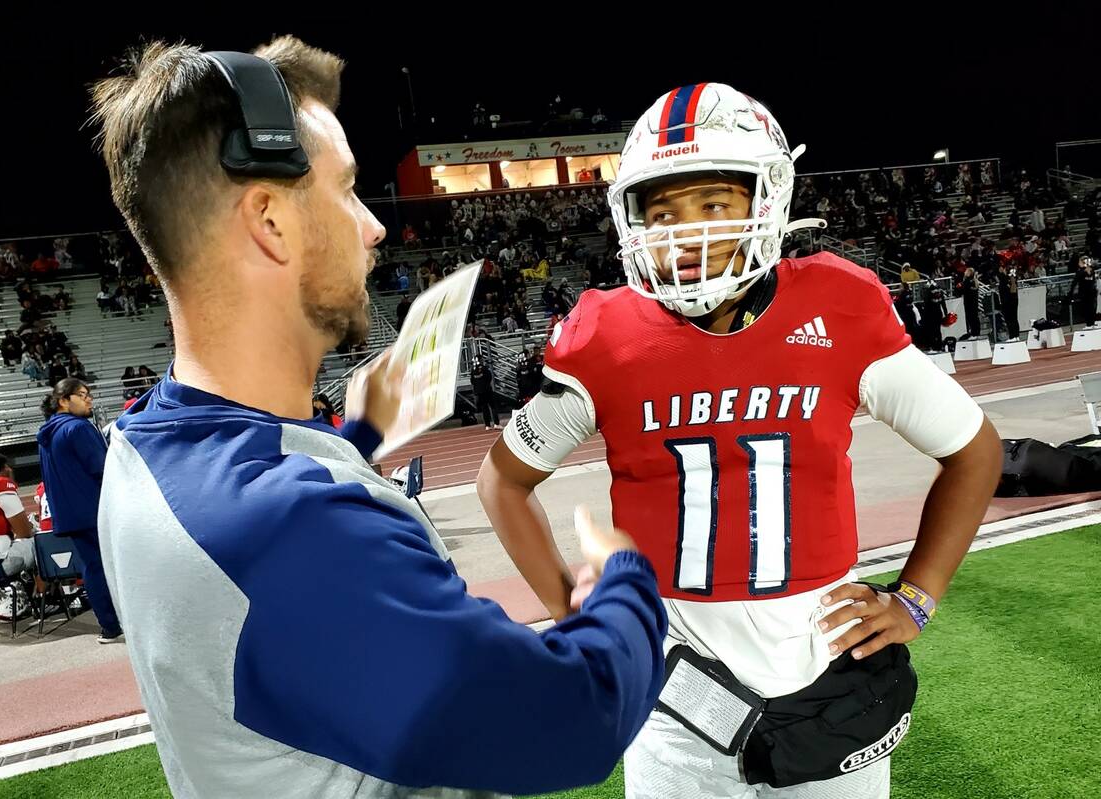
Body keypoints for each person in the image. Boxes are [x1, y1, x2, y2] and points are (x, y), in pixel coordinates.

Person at [88, 38, 667, 798]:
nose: (375, 227)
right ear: (270, 220)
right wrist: (621, 577)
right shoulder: (294, 526)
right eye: (349, 189)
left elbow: (247, 484)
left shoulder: (140, 443)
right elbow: (572, 720)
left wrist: (357, 434)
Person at [477, 83, 1002, 799]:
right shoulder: (606, 336)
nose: (683, 233)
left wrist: (915, 597)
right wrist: (574, 615)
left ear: (767, 199)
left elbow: (973, 449)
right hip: (676, 688)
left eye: (713, 205)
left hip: (825, 670)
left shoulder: (837, 306)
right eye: (661, 211)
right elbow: (502, 479)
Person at [37, 378, 123, 644]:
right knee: (112, 567)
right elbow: (103, 467)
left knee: (92, 567)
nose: (89, 400)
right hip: (96, 508)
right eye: (82, 395)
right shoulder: (78, 427)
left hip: (71, 513)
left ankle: (109, 626)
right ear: (64, 400)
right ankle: (117, 623)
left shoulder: (46, 434)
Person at [470, 357, 499, 430]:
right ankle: (496, 423)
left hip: (479, 392)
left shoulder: (473, 370)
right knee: (493, 406)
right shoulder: (484, 368)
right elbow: (489, 377)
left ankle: (487, 425)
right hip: (487, 390)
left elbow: (472, 381)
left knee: (484, 408)